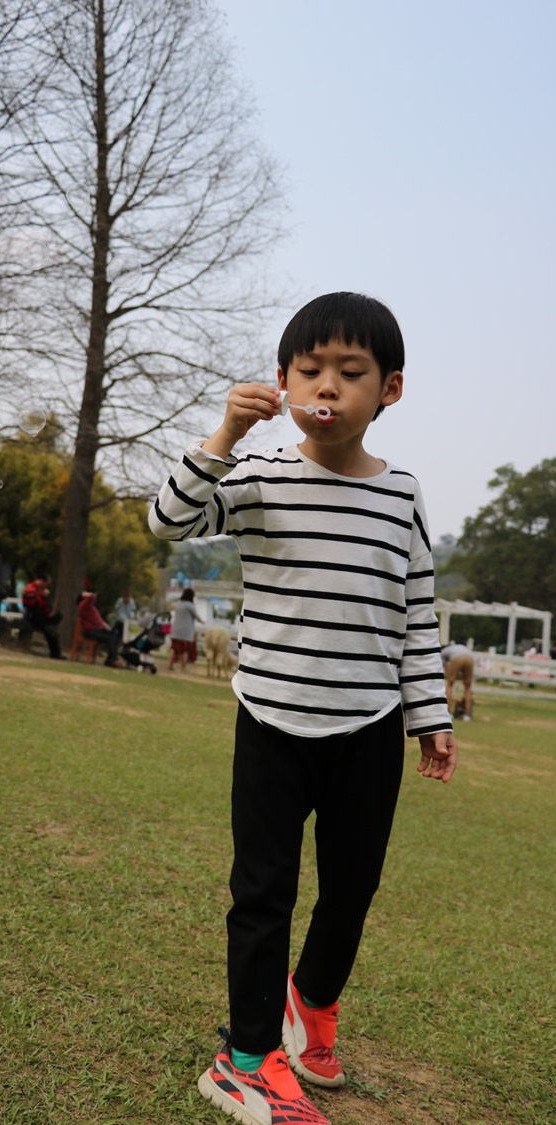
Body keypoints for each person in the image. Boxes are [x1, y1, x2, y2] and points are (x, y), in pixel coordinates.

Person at [149, 292, 458, 1125]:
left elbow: (415, 610)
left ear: (389, 389)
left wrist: (429, 713)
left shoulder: (403, 496)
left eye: (349, 373)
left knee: (352, 889)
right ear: (283, 381)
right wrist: (223, 436)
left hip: (367, 729)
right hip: (272, 720)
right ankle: (244, 1059)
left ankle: (310, 1007)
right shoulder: (256, 476)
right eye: (308, 369)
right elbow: (167, 518)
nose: (327, 386)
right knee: (264, 891)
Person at [22, 577, 65, 659]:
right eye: (46, 584)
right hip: (33, 616)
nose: (46, 586)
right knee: (50, 630)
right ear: (41, 581)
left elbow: (45, 606)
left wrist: (49, 612)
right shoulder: (30, 589)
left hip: (44, 617)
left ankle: (56, 653)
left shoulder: (41, 591)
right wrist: (41, 594)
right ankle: (55, 653)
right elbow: (33, 606)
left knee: (57, 617)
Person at [77, 591, 122, 667]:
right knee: (111, 638)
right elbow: (93, 597)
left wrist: (108, 628)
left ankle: (110, 660)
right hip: (90, 631)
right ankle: (114, 659)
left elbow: (99, 620)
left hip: (97, 630)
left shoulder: (91, 607)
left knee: (115, 637)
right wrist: (84, 594)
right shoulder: (83, 605)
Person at [168, 587, 203, 671]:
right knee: (185, 651)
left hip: (175, 631)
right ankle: (183, 667)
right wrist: (202, 621)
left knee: (175, 650)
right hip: (186, 633)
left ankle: (170, 665)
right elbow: (196, 616)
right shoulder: (190, 606)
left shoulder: (177, 604)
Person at [441, 642, 475, 720]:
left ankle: (449, 712)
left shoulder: (443, 652)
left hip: (457, 657)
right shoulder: (456, 647)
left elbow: (445, 668)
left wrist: (451, 676)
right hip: (470, 657)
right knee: (468, 686)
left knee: (450, 684)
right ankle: (467, 715)